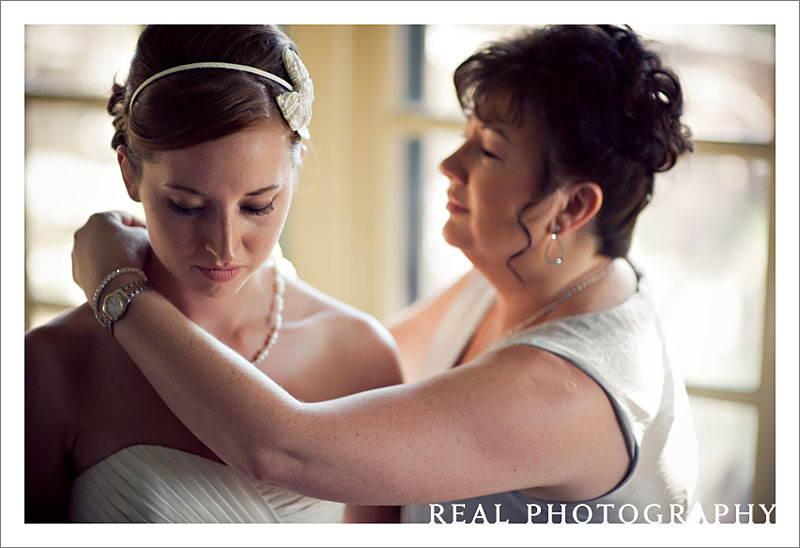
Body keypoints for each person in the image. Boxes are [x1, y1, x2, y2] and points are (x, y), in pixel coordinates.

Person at [69, 25, 698, 523]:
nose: (451, 164)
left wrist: (115, 285)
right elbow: (357, 368)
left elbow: (283, 448)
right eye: (467, 135)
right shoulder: (520, 282)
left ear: (573, 206)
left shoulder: (564, 392)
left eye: (490, 151)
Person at [24, 24, 403, 523]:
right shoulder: (52, 367)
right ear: (129, 173)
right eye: (185, 206)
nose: (223, 245)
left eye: (258, 205)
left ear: (296, 169)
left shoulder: (359, 356)